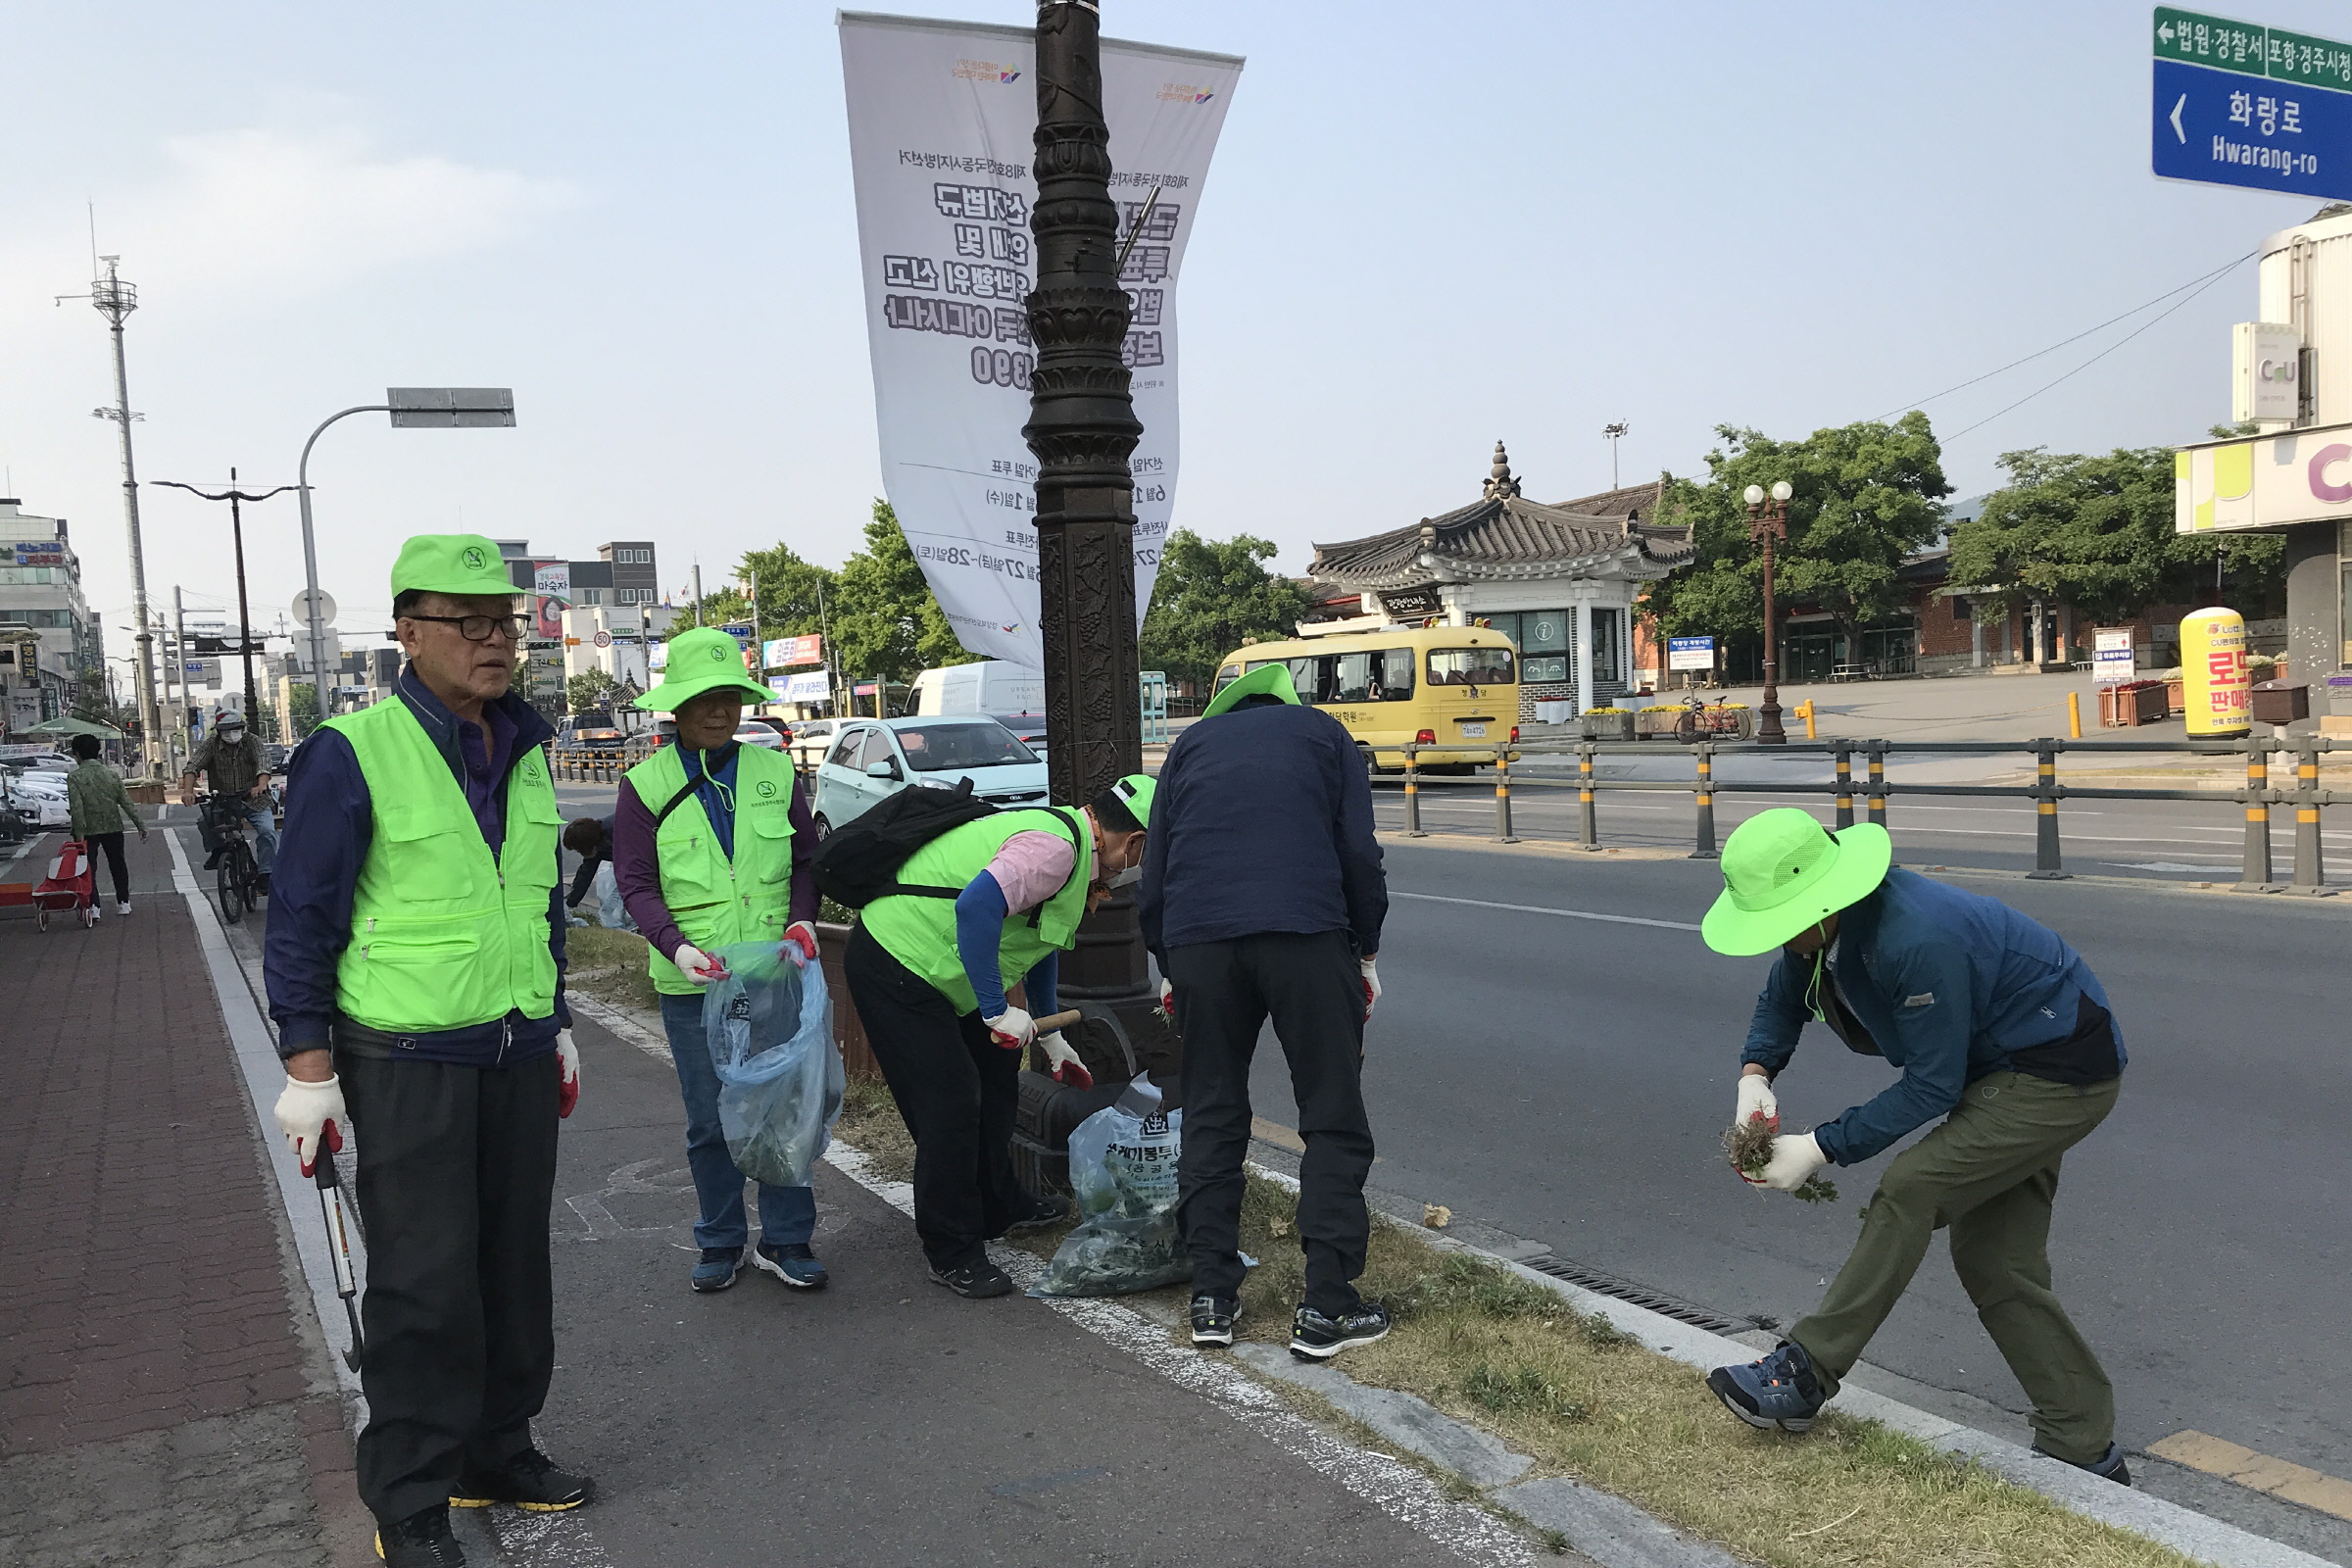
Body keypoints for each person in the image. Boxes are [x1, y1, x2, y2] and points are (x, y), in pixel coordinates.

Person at [264, 533, 589, 1568]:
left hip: (517, 1047)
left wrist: (560, 1017)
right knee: (422, 1278)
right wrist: (308, 1067)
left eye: (507, 623)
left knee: (511, 1265)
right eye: (470, 623)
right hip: (408, 1056)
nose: (497, 643)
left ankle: (498, 1447)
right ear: (409, 632)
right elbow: (302, 914)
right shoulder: (351, 750)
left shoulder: (529, 746)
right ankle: (409, 1493)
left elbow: (534, 901)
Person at [1699, 808, 2130, 1484]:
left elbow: (1932, 1085)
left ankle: (1806, 1372)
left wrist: (1820, 1146)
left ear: (1820, 899)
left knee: (1913, 1186)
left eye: (1781, 921)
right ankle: (2086, 1447)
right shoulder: (1822, 928)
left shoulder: (1913, 937)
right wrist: (1755, 1076)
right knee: (1996, 1261)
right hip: (2000, 1063)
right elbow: (1782, 1000)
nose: (1777, 938)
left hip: (2057, 1070)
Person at [1142, 663, 1390, 1361]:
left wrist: (1168, 962)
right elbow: (1358, 856)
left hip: (1198, 943)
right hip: (1306, 935)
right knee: (1331, 1113)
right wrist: (1364, 950)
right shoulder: (1324, 734)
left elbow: (1156, 869)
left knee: (1214, 1109)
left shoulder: (1188, 747)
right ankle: (1326, 1305)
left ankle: (1211, 1296)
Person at [847, 771, 1154, 1298]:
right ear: (1136, 843)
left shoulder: (1075, 852)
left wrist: (1049, 1032)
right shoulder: (1054, 849)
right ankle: (952, 1249)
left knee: (996, 1081)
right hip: (897, 963)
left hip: (947, 973)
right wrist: (995, 1011)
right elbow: (975, 907)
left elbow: (1038, 942)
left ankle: (999, 1203)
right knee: (950, 1104)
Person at [612, 626, 828, 1295]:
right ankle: (722, 1239)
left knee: (784, 1107)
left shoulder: (771, 770)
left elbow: (805, 860)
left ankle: (788, 1240)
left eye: (730, 697)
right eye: (703, 699)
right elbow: (637, 884)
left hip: (774, 972)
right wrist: (676, 948)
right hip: (693, 985)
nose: (718, 711)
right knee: (710, 1118)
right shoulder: (643, 786)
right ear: (676, 706)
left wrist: (801, 918)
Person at [181, 709, 277, 893]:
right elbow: (192, 767)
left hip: (254, 800)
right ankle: (218, 851)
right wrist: (188, 791)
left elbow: (263, 763)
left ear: (242, 729)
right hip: (223, 801)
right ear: (218, 731)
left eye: (235, 729)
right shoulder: (211, 744)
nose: (231, 734)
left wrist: (261, 785)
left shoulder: (252, 741)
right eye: (226, 730)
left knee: (268, 832)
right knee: (204, 823)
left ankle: (266, 873)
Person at [65, 732, 147, 915]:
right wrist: (140, 825)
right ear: (98, 751)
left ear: (77, 754)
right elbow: (126, 801)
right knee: (118, 864)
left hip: (88, 830)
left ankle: (94, 906)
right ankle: (124, 902)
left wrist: (79, 835)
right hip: (113, 826)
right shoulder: (110, 775)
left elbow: (77, 808)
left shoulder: (75, 777)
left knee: (88, 868)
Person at [562, 816, 632, 930]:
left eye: (579, 850)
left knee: (614, 907)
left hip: (649, 857)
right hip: (628, 865)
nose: (580, 853)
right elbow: (585, 874)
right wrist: (571, 902)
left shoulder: (619, 830)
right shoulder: (594, 843)